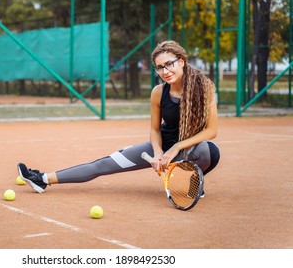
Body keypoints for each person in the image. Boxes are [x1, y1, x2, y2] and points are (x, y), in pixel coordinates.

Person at [17, 40, 220, 195]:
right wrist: (158, 153)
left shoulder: (205, 89)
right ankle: (43, 179)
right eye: (160, 67)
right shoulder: (158, 92)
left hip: (188, 150)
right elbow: (155, 129)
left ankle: (195, 182)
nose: (165, 71)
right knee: (103, 164)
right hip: (161, 145)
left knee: (208, 151)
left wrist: (177, 147)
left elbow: (211, 131)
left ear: (182, 62)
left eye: (169, 64)